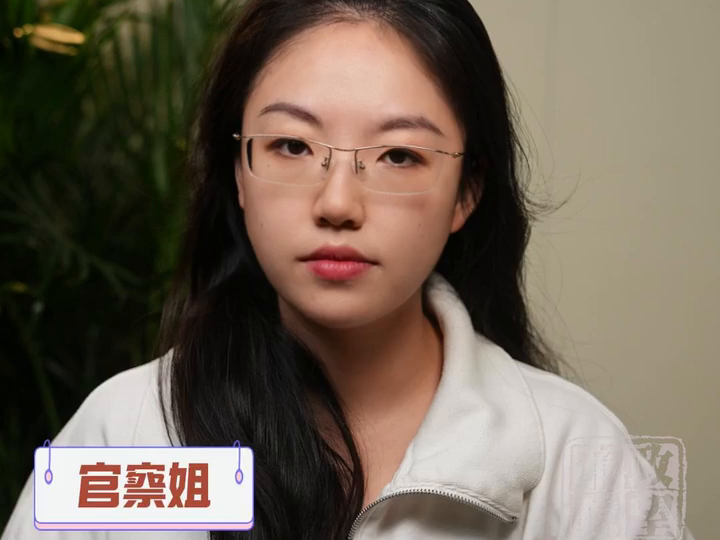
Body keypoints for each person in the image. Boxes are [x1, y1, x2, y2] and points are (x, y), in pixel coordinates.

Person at [2, 0, 696, 539]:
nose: (337, 203)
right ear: (237, 171)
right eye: (291, 145)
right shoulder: (127, 431)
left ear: (467, 193)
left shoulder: (575, 457)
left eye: (399, 156)